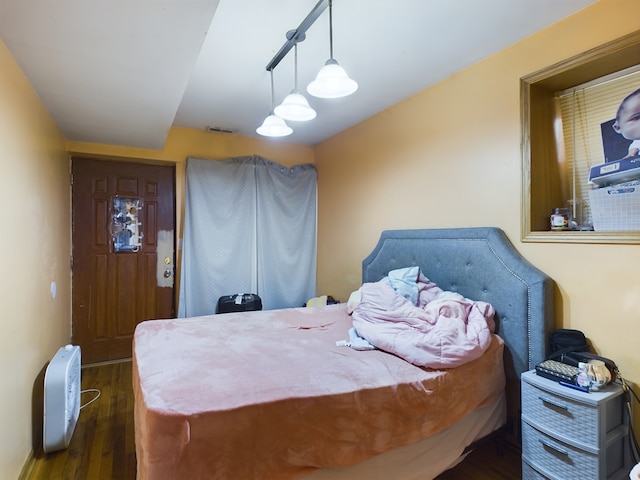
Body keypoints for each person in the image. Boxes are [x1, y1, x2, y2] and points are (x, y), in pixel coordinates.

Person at [612, 87, 640, 158]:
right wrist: (631, 154)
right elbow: (635, 147)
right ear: (618, 127)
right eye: (637, 117)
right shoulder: (637, 141)